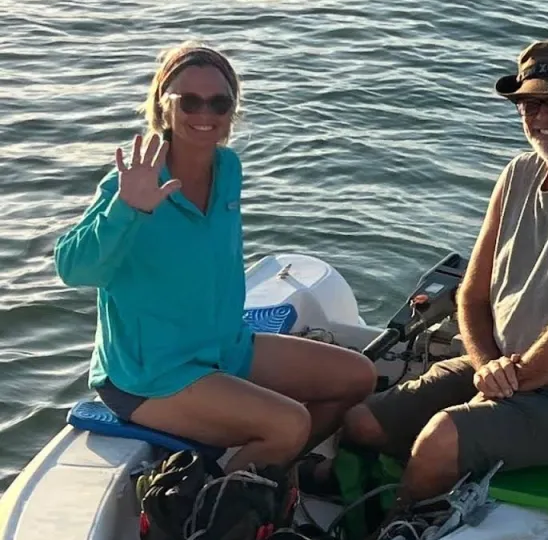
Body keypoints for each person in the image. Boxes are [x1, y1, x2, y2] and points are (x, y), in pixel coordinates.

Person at [342, 39, 548, 516]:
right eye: (527, 103)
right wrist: (486, 368)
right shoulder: (517, 174)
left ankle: (396, 527)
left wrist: (505, 384)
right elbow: (473, 296)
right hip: (506, 370)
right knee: (362, 424)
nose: (540, 116)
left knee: (441, 438)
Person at [55, 42, 376, 474]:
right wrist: (126, 210)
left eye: (219, 103)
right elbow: (72, 268)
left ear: (232, 112)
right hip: (150, 374)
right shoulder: (132, 184)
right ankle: (212, 512)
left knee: (357, 377)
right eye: (189, 101)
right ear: (162, 106)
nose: (204, 114)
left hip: (225, 346)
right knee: (288, 423)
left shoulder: (228, 168)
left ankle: (268, 479)